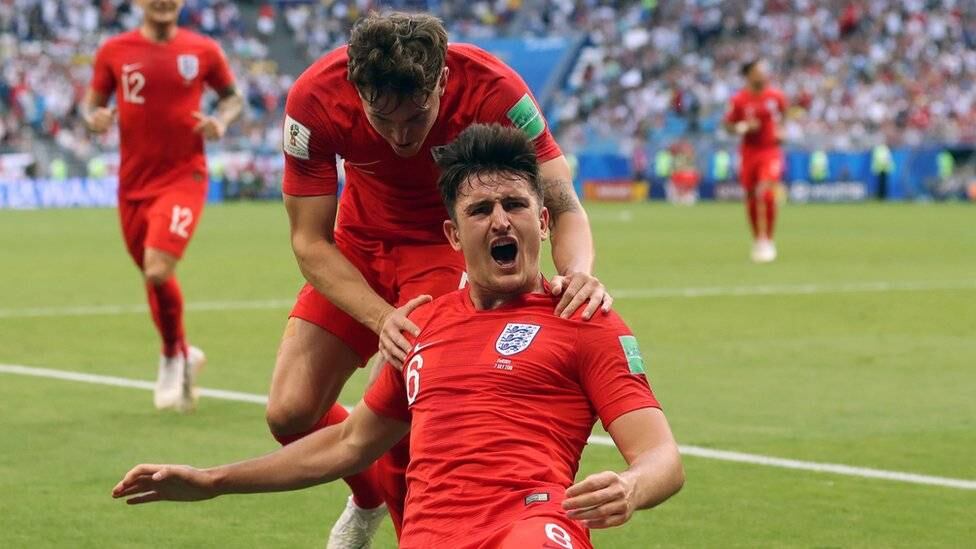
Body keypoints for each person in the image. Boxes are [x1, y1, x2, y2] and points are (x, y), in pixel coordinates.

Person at [112, 123, 685, 549]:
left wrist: (631, 487)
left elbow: (661, 456)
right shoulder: (423, 325)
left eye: (515, 205)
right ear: (453, 235)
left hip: (532, 526)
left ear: (542, 222)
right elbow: (348, 443)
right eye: (481, 210)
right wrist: (213, 480)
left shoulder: (583, 317)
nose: (500, 220)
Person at [270, 12, 611, 546]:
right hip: (356, 245)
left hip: (444, 246)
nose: (400, 136)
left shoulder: (494, 89)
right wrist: (382, 318)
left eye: (417, 116)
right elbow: (309, 241)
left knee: (408, 420)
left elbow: (562, 203)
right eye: (382, 119)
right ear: (357, 90)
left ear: (443, 81)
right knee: (289, 414)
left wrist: (579, 274)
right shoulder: (314, 99)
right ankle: (367, 498)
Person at [81, 0, 243, 411]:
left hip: (183, 178)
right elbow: (90, 104)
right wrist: (93, 118)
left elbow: (232, 97)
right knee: (152, 274)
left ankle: (172, 355)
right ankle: (183, 353)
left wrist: (221, 121)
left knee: (157, 267)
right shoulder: (114, 51)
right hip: (133, 184)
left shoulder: (203, 49)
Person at [724, 59, 786, 263]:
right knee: (750, 197)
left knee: (767, 193)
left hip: (770, 151)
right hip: (749, 153)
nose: (763, 75)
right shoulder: (739, 100)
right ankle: (758, 239)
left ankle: (768, 239)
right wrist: (743, 126)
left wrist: (782, 131)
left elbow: (784, 115)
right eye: (758, 71)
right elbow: (728, 126)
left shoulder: (776, 96)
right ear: (749, 75)